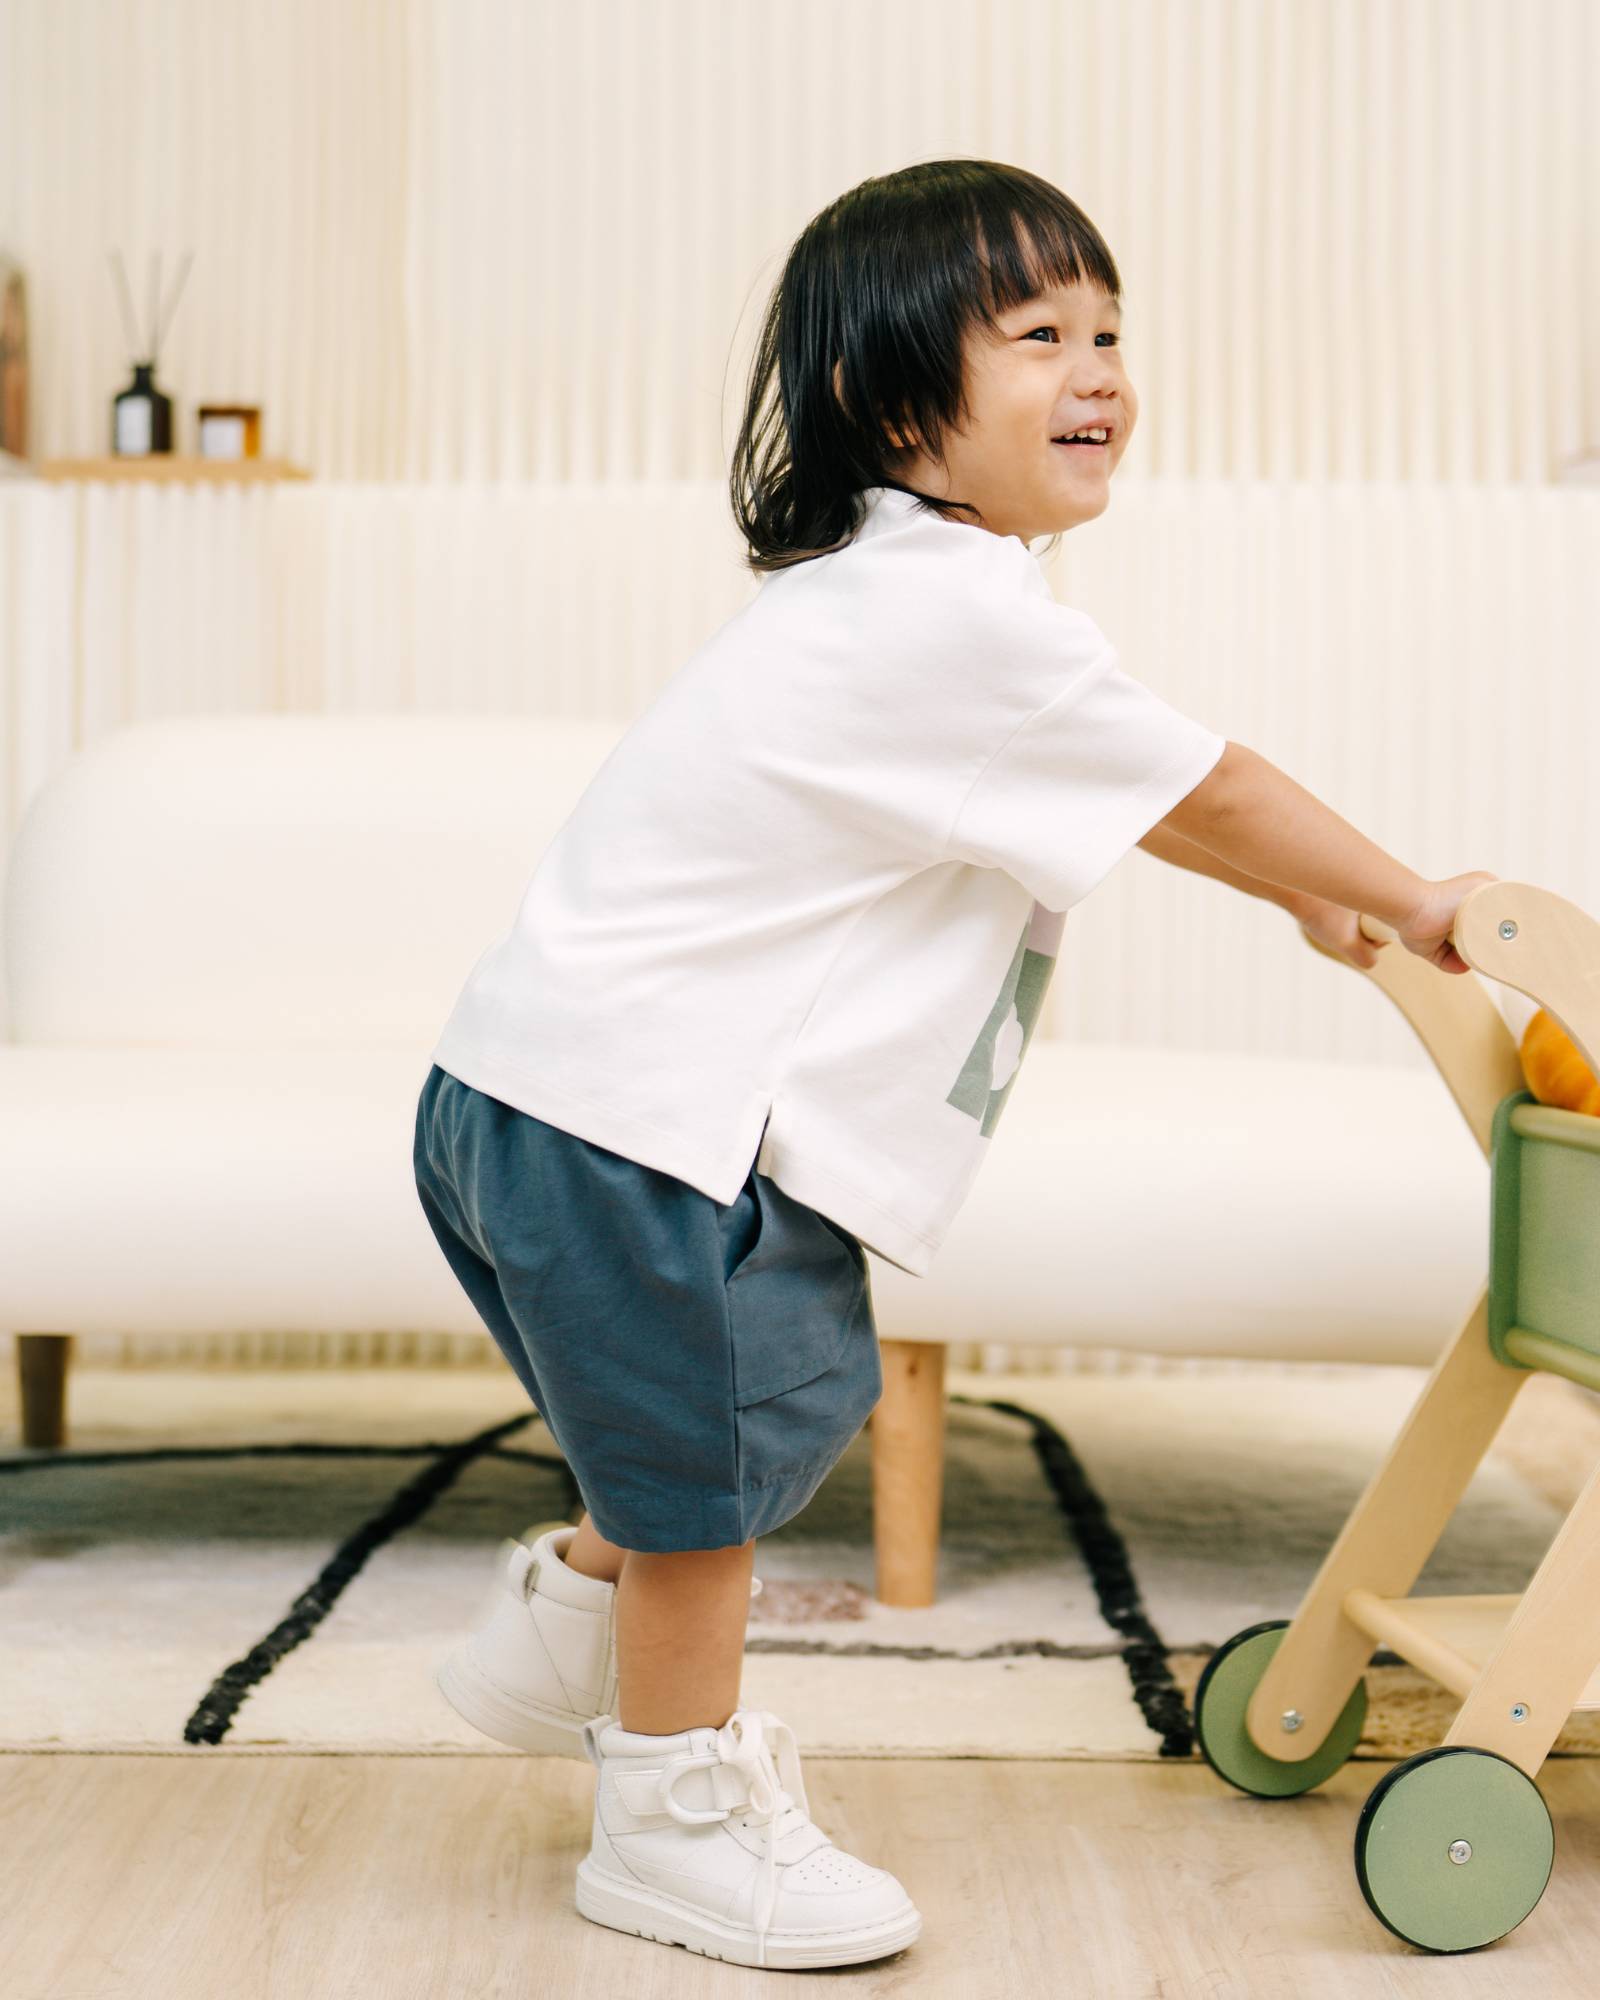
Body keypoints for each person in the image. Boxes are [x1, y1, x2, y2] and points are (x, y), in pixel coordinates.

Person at [411, 158, 1496, 1973]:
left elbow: (1142, 789)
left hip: (533, 1101)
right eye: (1038, 337)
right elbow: (1210, 783)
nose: (1099, 372)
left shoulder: (898, 598)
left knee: (741, 1401)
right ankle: (672, 1817)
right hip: (638, 1128)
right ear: (894, 401)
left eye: (1110, 333)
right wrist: (1412, 895)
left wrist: (1315, 902)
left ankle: (558, 1641)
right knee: (705, 1475)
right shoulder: (952, 616)